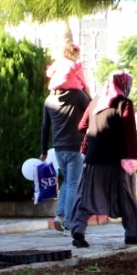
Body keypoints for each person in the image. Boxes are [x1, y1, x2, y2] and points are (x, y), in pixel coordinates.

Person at [68, 71, 137, 249]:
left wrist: (96, 136)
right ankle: (131, 234)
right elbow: (130, 133)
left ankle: (78, 232)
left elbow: (82, 126)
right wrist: (135, 158)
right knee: (126, 197)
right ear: (125, 85)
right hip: (117, 162)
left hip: (93, 159)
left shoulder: (95, 102)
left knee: (86, 197)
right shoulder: (124, 104)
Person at [39, 52, 92, 232]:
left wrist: (43, 151)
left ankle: (59, 215)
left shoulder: (49, 100)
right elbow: (91, 110)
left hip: (58, 148)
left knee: (67, 181)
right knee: (73, 183)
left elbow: (45, 128)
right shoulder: (77, 95)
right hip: (76, 146)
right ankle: (69, 220)